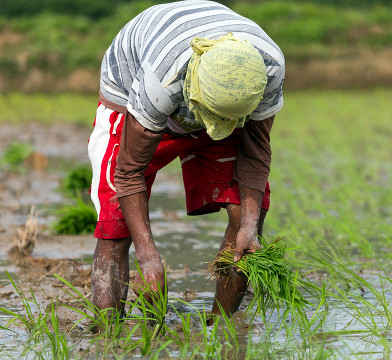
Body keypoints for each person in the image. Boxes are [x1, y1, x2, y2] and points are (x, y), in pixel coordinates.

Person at [87, 0, 285, 321]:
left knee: (248, 214)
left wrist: (248, 226)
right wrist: (149, 257)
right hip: (133, 99)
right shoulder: (160, 80)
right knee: (116, 225)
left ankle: (222, 330)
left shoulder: (269, 69)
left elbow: (255, 152)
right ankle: (107, 339)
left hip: (222, 97)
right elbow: (128, 172)